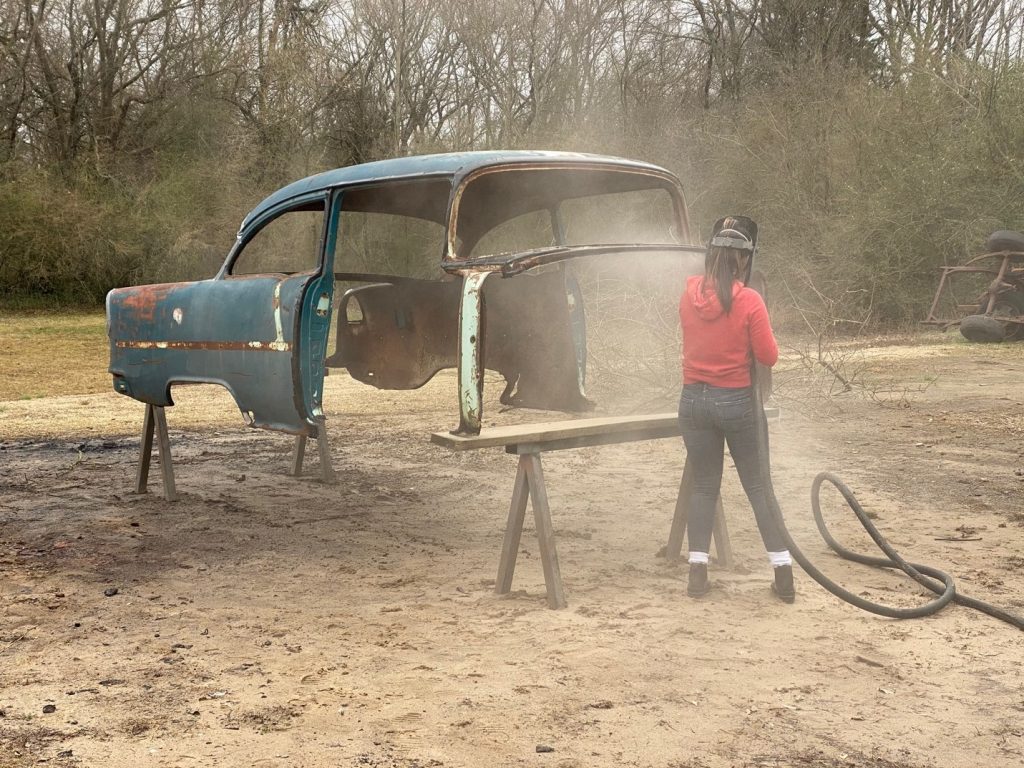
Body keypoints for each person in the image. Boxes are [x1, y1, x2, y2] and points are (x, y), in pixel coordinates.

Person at [677, 215, 794, 602]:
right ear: (744, 260)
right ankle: (783, 575)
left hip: (693, 401)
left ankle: (697, 573)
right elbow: (769, 357)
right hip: (736, 402)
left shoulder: (688, 292)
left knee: (705, 486)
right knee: (759, 487)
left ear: (711, 254)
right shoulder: (749, 300)